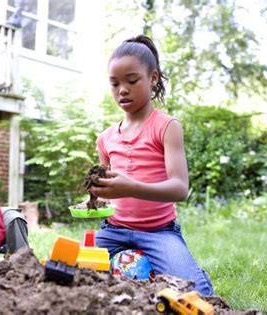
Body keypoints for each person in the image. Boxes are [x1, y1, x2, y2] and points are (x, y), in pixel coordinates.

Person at [90, 35, 214, 296]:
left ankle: (194, 271)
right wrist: (96, 197)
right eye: (114, 84)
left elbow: (180, 189)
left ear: (153, 78)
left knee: (197, 293)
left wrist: (132, 187)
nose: (122, 89)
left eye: (132, 81)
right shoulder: (105, 138)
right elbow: (105, 194)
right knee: (70, 270)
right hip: (113, 231)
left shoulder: (167, 127)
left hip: (159, 233)